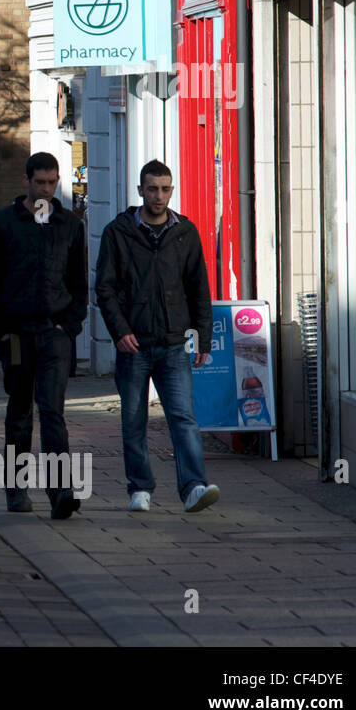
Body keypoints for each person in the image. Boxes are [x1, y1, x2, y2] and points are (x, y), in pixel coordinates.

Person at [94, 159, 220, 514]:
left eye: (165, 189)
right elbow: (104, 288)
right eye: (152, 189)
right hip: (134, 344)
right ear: (140, 190)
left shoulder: (185, 232)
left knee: (183, 417)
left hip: (174, 342)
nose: (159, 196)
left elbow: (198, 288)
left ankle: (193, 487)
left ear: (172, 190)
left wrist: (203, 338)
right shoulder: (118, 232)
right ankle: (140, 488)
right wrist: (119, 331)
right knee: (133, 418)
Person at [0, 152, 88, 520]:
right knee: (20, 412)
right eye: (40, 182)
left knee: (53, 411)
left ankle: (61, 491)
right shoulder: (2, 223)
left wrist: (68, 326)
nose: (46, 189)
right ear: (26, 181)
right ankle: (16, 487)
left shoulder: (70, 225)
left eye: (52, 182)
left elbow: (78, 283)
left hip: (54, 332)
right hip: (16, 334)